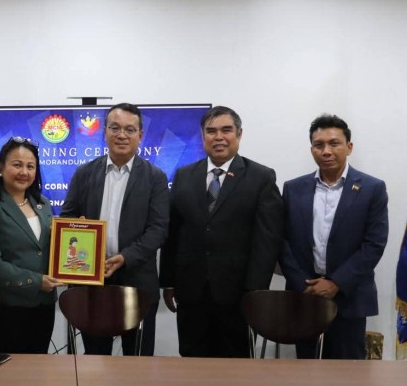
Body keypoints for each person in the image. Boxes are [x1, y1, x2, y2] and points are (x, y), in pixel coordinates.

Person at [160, 105, 284, 358]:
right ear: (202, 135)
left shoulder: (261, 177)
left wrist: (255, 291)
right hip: (191, 291)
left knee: (234, 365)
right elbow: (174, 233)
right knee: (191, 361)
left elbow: (267, 240)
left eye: (226, 130)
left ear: (239, 134)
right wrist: (168, 281)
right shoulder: (184, 175)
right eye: (211, 131)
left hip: (238, 294)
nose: (218, 137)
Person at [61, 103, 169, 356]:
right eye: (115, 128)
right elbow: (66, 218)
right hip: (92, 280)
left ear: (140, 135)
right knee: (96, 362)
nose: (122, 135)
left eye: (130, 130)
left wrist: (125, 257)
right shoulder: (84, 173)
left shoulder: (155, 178)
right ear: (105, 132)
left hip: (137, 282)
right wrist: (78, 229)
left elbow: (158, 229)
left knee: (137, 362)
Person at [280, 114, 388, 360]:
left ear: (349, 147)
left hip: (349, 298)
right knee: (306, 370)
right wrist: (302, 283)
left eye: (334, 143)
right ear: (312, 149)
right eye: (319, 145)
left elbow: (374, 244)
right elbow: (282, 241)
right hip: (305, 297)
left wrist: (336, 283)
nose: (326, 151)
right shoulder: (293, 189)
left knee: (347, 373)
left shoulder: (372, 189)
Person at [0, 137, 61, 354]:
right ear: (1, 167)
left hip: (43, 305)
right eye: (17, 165)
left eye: (30, 166)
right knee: (6, 371)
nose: (24, 172)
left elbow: (48, 248)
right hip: (5, 306)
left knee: (37, 368)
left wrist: (78, 232)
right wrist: (35, 281)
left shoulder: (43, 203)